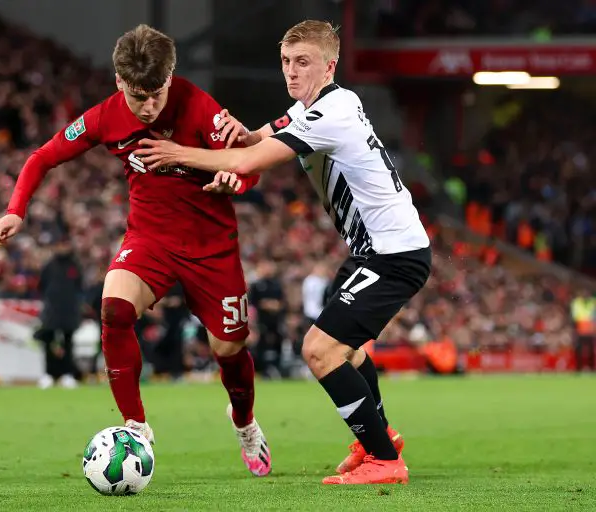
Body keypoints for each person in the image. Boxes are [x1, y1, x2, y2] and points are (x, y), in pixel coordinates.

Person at [135, 20, 432, 485]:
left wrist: (178, 153)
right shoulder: (313, 108)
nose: (291, 72)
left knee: (318, 350)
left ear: (329, 66)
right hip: (373, 250)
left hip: (394, 255)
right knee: (345, 349)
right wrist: (239, 135)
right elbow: (254, 142)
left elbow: (247, 161)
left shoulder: (332, 111)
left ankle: (385, 461)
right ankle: (380, 438)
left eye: (303, 63)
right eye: (286, 63)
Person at [0, 24, 271, 476]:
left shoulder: (199, 105)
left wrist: (233, 180)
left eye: (157, 93)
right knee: (114, 309)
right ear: (119, 81)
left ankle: (244, 422)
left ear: (171, 75)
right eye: (139, 96)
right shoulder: (105, 116)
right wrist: (15, 210)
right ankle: (136, 427)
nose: (149, 106)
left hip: (211, 248)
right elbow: (42, 156)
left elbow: (250, 164)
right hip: (150, 239)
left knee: (229, 349)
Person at [35, 234, 85, 389]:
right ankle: (49, 374)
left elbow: (79, 287)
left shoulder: (75, 265)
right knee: (48, 343)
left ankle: (68, 374)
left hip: (69, 310)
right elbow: (42, 286)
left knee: (68, 343)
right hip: (52, 311)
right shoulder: (49, 266)